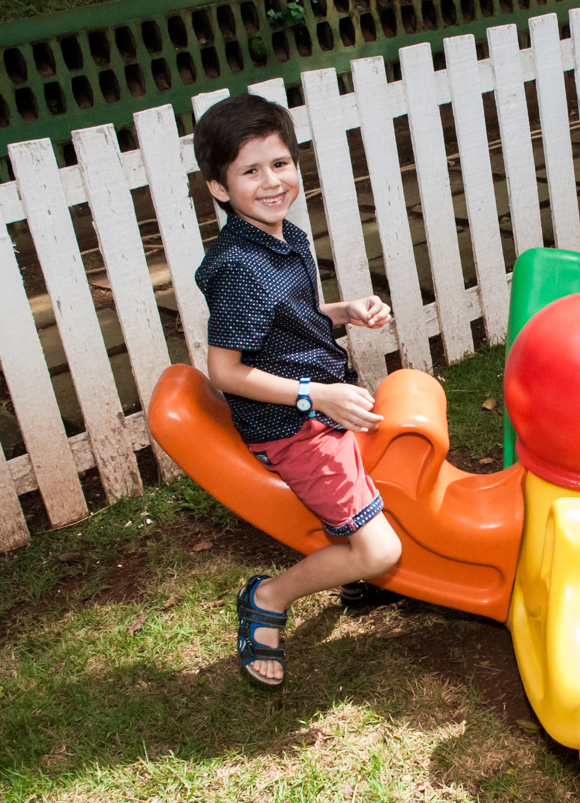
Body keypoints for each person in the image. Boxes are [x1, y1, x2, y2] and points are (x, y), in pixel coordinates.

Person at [193, 94, 402, 688]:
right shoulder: (238, 266)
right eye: (249, 171)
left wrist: (344, 310)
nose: (270, 182)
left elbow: (294, 317)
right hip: (292, 426)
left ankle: (350, 567)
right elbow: (226, 371)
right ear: (218, 187)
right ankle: (269, 598)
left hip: (323, 401)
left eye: (279, 163)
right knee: (382, 551)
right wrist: (317, 397)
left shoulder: (288, 237)